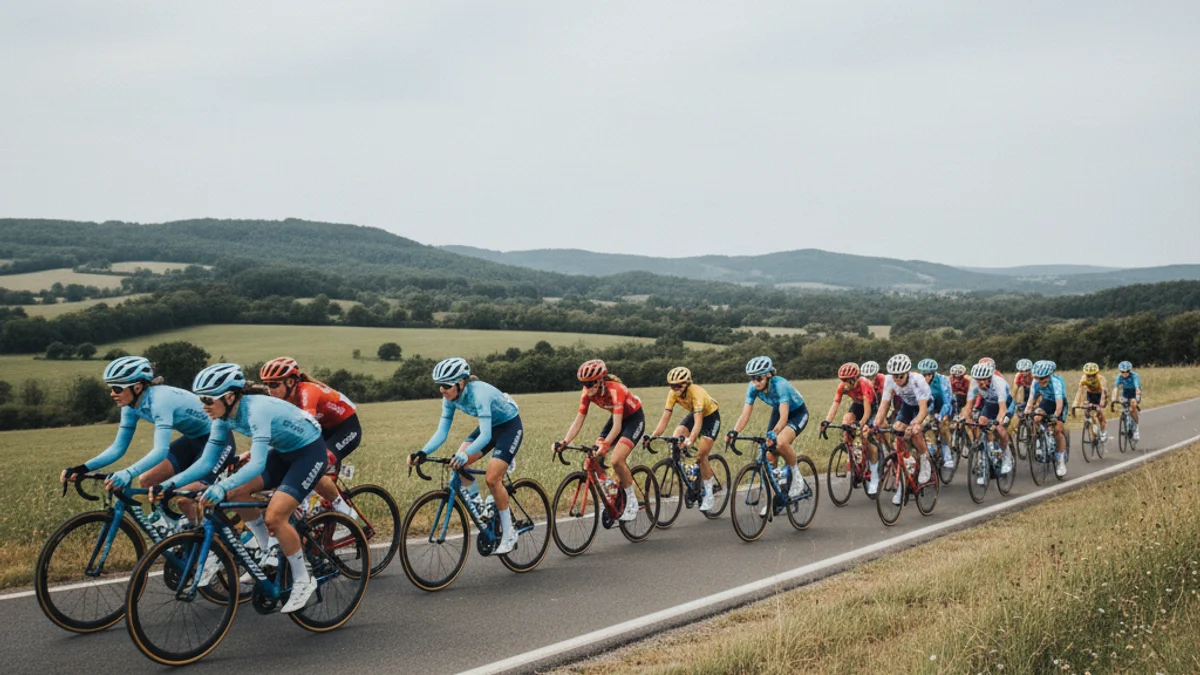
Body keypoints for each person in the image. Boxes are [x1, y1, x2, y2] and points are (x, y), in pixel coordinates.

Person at [156, 364, 329, 614]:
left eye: (207, 399)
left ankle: (304, 579)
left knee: (275, 516)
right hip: (282, 452)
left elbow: (257, 463)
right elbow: (206, 461)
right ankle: (265, 546)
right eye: (200, 398)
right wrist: (170, 484)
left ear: (229, 397)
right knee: (235, 494)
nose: (203, 405)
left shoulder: (256, 410)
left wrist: (221, 486)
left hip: (309, 454)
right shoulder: (222, 417)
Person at [65, 356, 234, 527]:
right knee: (147, 481)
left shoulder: (160, 401)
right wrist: (83, 468)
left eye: (117, 388)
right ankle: (174, 535)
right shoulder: (130, 406)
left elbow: (160, 450)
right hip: (193, 440)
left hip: (219, 440)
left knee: (185, 499)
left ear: (137, 387)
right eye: (111, 388)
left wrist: (128, 473)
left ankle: (212, 547)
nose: (112, 394)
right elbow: (118, 448)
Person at [408, 357, 523, 553]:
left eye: (446, 385)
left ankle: (510, 534)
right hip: (489, 427)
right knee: (457, 463)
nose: (442, 390)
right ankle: (481, 506)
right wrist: (423, 452)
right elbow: (442, 432)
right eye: (439, 386)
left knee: (492, 479)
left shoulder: (480, 394)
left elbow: (486, 435)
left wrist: (465, 454)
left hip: (508, 427)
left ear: (461, 382)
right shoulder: (449, 399)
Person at [260, 357, 362, 518]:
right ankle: (315, 507)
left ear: (291, 382)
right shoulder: (281, 400)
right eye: (267, 385)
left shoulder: (308, 391)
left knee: (315, 464)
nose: (270, 390)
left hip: (345, 429)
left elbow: (304, 428)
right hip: (323, 429)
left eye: (274, 384)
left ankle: (347, 513)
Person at [556, 360, 646, 522]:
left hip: (633, 419)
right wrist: (565, 442)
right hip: (616, 419)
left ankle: (631, 501)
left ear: (600, 380)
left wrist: (605, 446)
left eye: (590, 383)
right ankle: (612, 490)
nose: (587, 388)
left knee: (617, 459)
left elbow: (617, 427)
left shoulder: (616, 390)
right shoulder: (586, 393)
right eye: (584, 384)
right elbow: (579, 420)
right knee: (593, 458)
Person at [727, 356, 812, 502]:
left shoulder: (780, 385)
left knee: (780, 441)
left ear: (767, 375)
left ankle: (797, 479)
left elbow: (784, 418)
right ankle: (779, 492)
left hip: (797, 413)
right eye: (752, 378)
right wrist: (735, 431)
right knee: (768, 455)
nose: (755, 382)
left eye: (758, 378)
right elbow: (745, 414)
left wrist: (775, 432)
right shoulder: (752, 388)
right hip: (778, 411)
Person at [645, 366, 721, 511]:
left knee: (701, 455)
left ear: (687, 383)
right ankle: (691, 476)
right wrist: (653, 436)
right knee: (676, 437)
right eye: (672, 385)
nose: (675, 388)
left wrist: (690, 440)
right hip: (694, 415)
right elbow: (665, 418)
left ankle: (709, 493)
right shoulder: (672, 394)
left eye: (679, 385)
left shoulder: (696, 393)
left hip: (711, 417)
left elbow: (698, 423)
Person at [871, 354, 933, 507]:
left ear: (907, 373)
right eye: (895, 376)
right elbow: (884, 406)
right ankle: (906, 466)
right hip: (907, 406)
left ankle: (925, 460)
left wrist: (915, 424)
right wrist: (876, 425)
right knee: (897, 430)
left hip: (923, 406)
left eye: (900, 376)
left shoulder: (917, 380)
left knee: (914, 430)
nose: (897, 379)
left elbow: (923, 409)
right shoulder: (890, 381)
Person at [820, 362, 878, 494]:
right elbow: (835, 405)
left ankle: (874, 477)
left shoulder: (864, 384)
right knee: (847, 420)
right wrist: (827, 421)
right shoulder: (842, 387)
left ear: (854, 379)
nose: (844, 383)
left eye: (846, 380)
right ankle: (854, 455)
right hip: (857, 406)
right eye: (842, 380)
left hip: (871, 408)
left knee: (866, 438)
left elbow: (867, 411)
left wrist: (862, 424)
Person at [960, 361, 1014, 483]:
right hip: (989, 405)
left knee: (1000, 429)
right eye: (978, 380)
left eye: (983, 380)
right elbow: (969, 406)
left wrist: (997, 422)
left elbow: (1002, 409)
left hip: (1005, 405)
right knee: (980, 423)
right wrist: (966, 419)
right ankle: (985, 463)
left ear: (990, 378)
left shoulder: (998, 383)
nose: (980, 383)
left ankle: (1006, 455)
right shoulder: (974, 384)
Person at [1025, 360, 1069, 478]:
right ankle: (1039, 442)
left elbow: (1059, 404)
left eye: (1044, 377)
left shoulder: (1056, 382)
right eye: (1038, 378)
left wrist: (1055, 416)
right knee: (1036, 417)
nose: (1041, 380)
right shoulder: (1035, 382)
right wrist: (1027, 410)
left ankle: (1060, 460)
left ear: (1049, 375)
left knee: (1057, 429)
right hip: (1047, 401)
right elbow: (1032, 398)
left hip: (1059, 403)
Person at [916, 359, 954, 470]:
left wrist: (941, 415)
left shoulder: (942, 380)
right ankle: (930, 449)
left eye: (929, 374)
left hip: (944, 405)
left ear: (933, 373)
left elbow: (947, 401)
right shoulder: (919, 382)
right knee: (924, 425)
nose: (926, 377)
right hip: (930, 407)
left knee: (943, 424)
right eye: (924, 374)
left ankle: (947, 453)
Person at [1072, 362, 1108, 443]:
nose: (1090, 377)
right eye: (1088, 375)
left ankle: (1103, 431)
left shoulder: (1101, 378)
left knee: (1099, 412)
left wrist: (1101, 404)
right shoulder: (1083, 378)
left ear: (1096, 373)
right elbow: (1080, 391)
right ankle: (1093, 432)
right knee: (1087, 412)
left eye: (1093, 375)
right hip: (1090, 394)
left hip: (1100, 395)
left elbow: (1103, 392)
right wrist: (1075, 405)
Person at [1112, 361, 1142, 440]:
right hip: (1125, 393)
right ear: (1120, 371)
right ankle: (1126, 425)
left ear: (1130, 370)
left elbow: (1137, 387)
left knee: (1132, 408)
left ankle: (1136, 430)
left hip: (1134, 393)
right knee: (1125, 409)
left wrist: (1137, 398)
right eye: (1123, 372)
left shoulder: (1135, 376)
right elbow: (1115, 388)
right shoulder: (1119, 377)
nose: (1125, 373)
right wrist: (1113, 399)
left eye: (1127, 371)